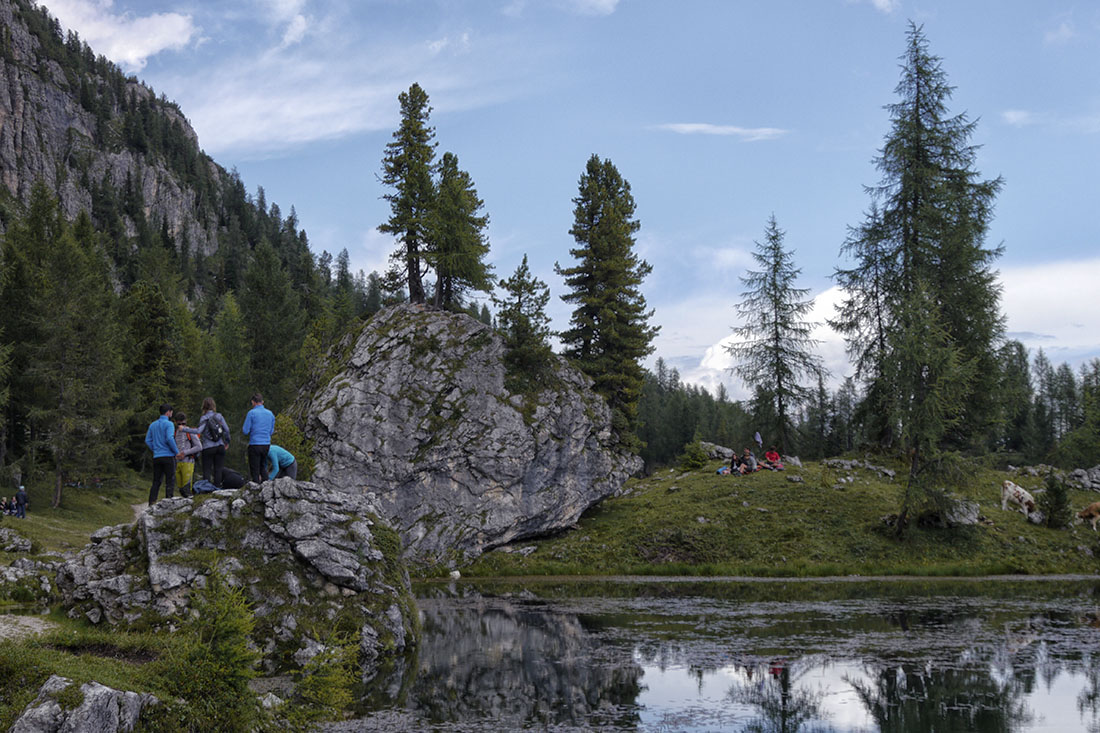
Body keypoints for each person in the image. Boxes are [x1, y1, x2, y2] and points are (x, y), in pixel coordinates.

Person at [144, 403, 180, 504]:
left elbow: (147, 440)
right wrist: (176, 452)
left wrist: (155, 449)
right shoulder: (169, 424)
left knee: (156, 481)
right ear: (168, 412)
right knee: (170, 480)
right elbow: (169, 438)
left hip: (157, 456)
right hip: (168, 456)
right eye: (171, 412)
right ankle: (168, 502)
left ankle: (152, 502)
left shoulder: (153, 424)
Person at [196, 397, 231, 488]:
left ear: (203, 407)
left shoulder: (203, 418)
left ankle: (206, 488)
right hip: (220, 445)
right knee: (218, 469)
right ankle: (217, 487)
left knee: (207, 469)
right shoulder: (219, 416)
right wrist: (227, 442)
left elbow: (199, 431)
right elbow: (227, 430)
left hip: (208, 446)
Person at [242, 392, 275, 484]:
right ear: (262, 402)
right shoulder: (270, 414)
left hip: (255, 443)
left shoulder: (251, 413)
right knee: (262, 466)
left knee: (254, 468)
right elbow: (271, 431)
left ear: (253, 402)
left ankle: (255, 488)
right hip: (266, 444)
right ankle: (266, 485)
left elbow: (245, 430)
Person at [174, 412, 203, 497]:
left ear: (186, 422)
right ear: (176, 422)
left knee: (187, 489)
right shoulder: (175, 433)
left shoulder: (190, 432)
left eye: (183, 423)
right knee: (181, 489)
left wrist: (184, 453)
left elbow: (199, 447)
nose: (181, 426)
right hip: (177, 462)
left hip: (188, 462)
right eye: (179, 424)